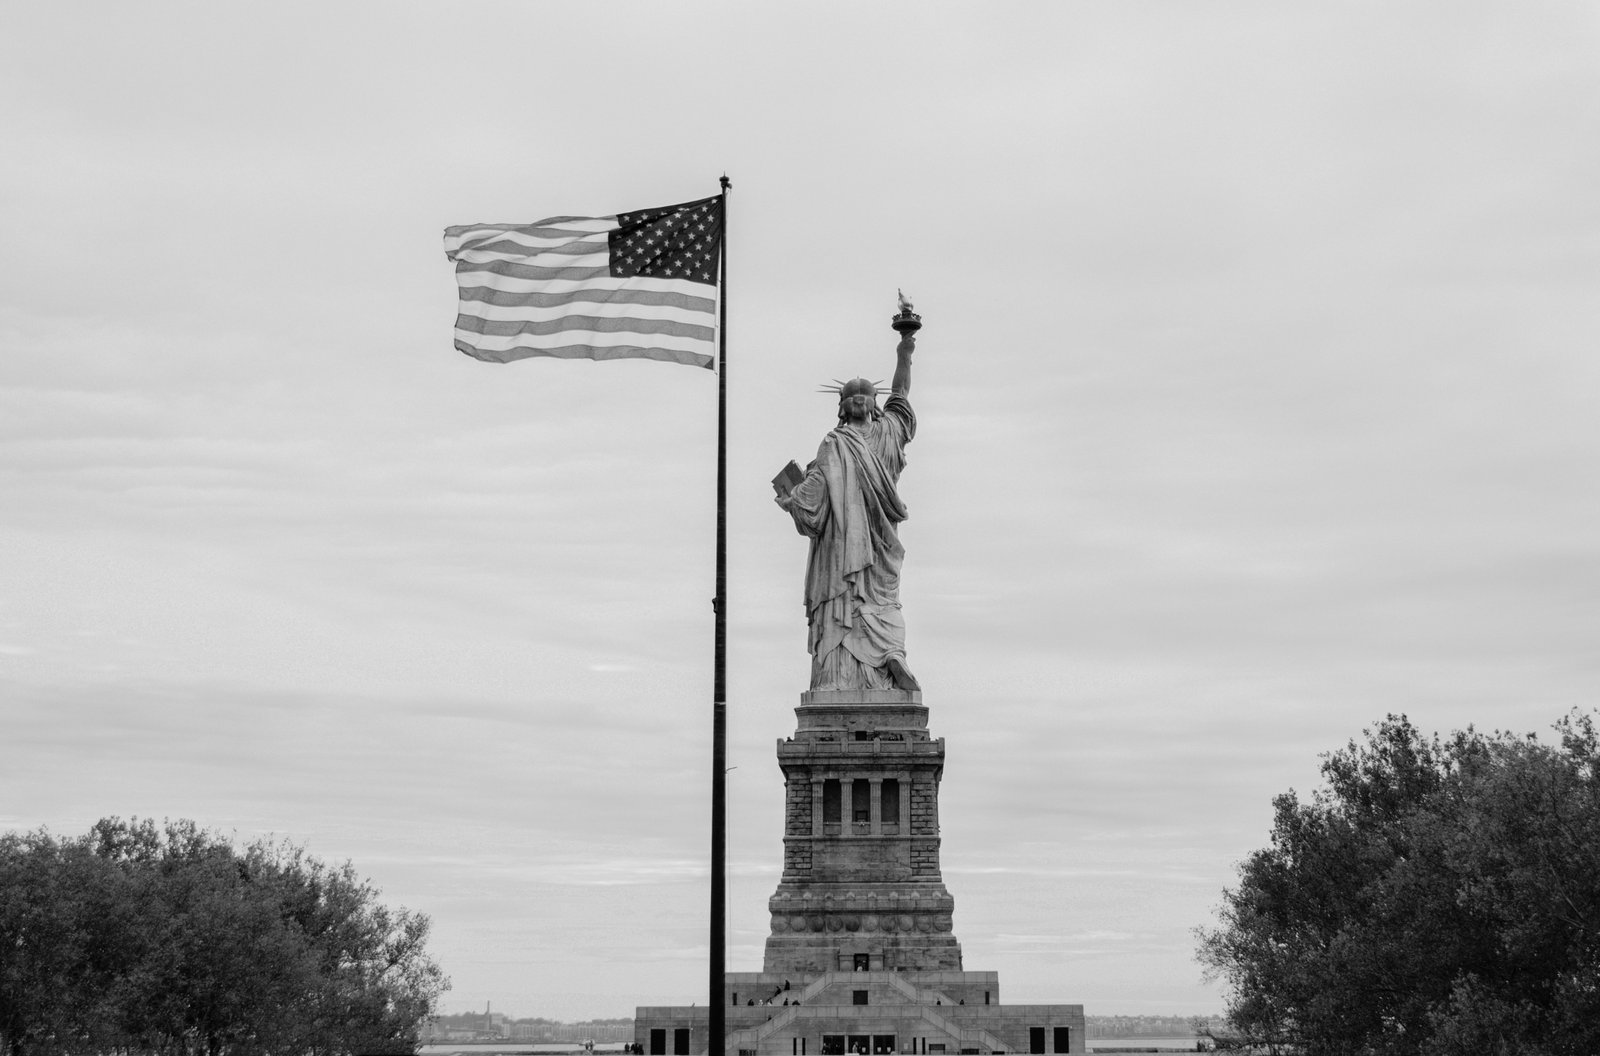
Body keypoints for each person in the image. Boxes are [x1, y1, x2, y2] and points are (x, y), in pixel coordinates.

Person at [776, 329, 919, 691]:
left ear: (846, 406)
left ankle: (841, 676)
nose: (858, 398)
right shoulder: (886, 434)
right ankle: (889, 655)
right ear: (872, 405)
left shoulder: (833, 443)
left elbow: (812, 500)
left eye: (859, 394)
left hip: (844, 550)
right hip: (877, 546)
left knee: (846, 598)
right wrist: (906, 346)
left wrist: (791, 498)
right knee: (883, 601)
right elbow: (901, 394)